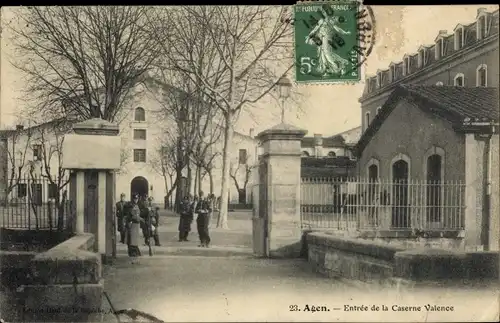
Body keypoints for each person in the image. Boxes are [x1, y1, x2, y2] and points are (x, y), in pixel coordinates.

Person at [125, 194, 145, 262]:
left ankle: (135, 251)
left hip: (136, 224)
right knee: (132, 238)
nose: (136, 200)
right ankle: (133, 252)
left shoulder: (136, 205)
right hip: (132, 224)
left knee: (135, 238)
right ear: (133, 199)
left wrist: (140, 218)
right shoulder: (131, 205)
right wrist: (141, 219)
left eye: (137, 199)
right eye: (135, 199)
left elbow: (138, 214)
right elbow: (133, 215)